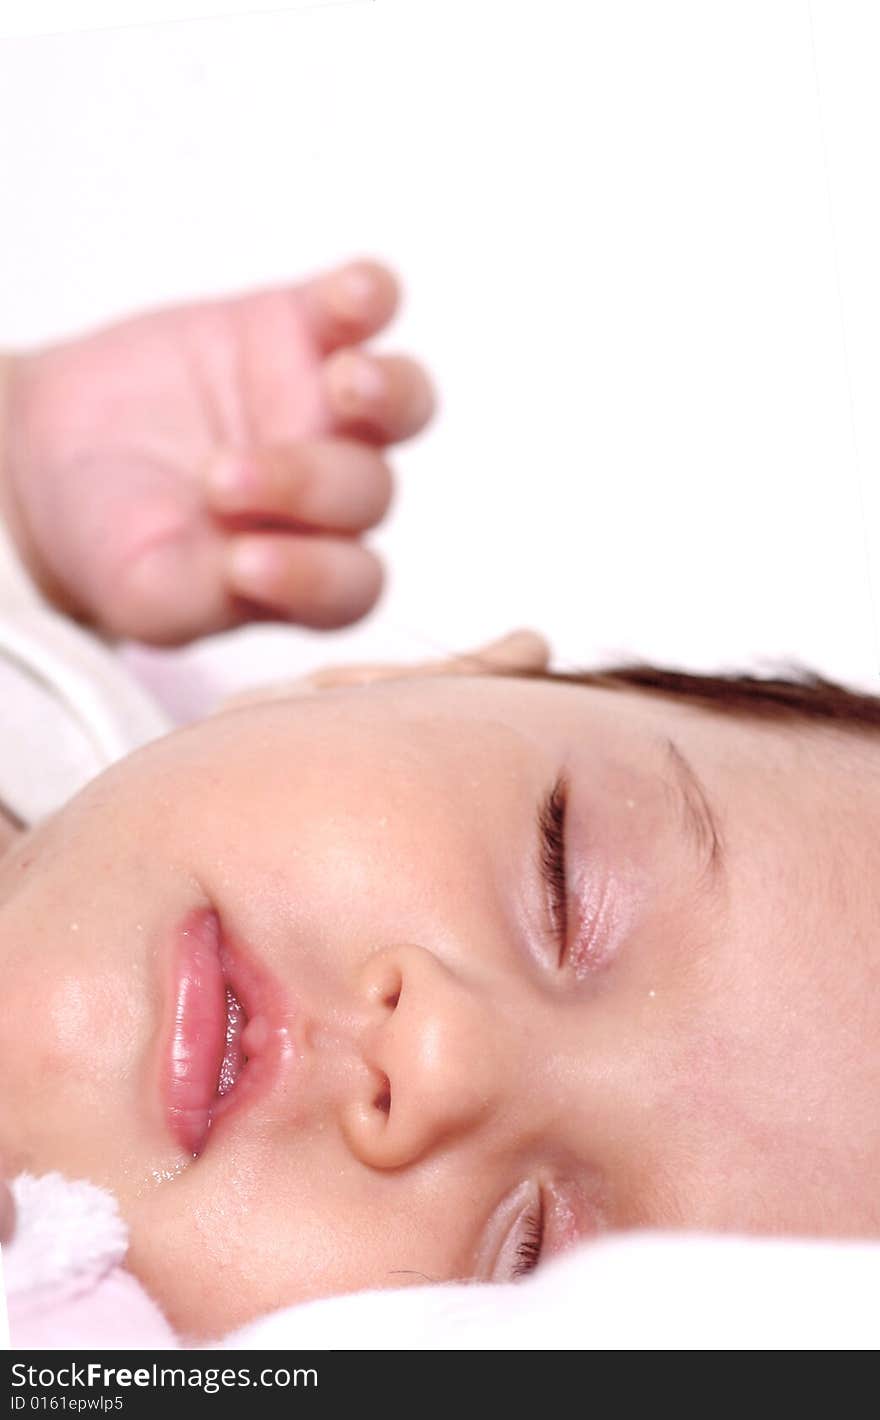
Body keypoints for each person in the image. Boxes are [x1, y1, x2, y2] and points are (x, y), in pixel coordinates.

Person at [1, 268, 879, 1344]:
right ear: (376, 686)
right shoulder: (52, 693)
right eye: (560, 883)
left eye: (525, 1256)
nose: (439, 1053)